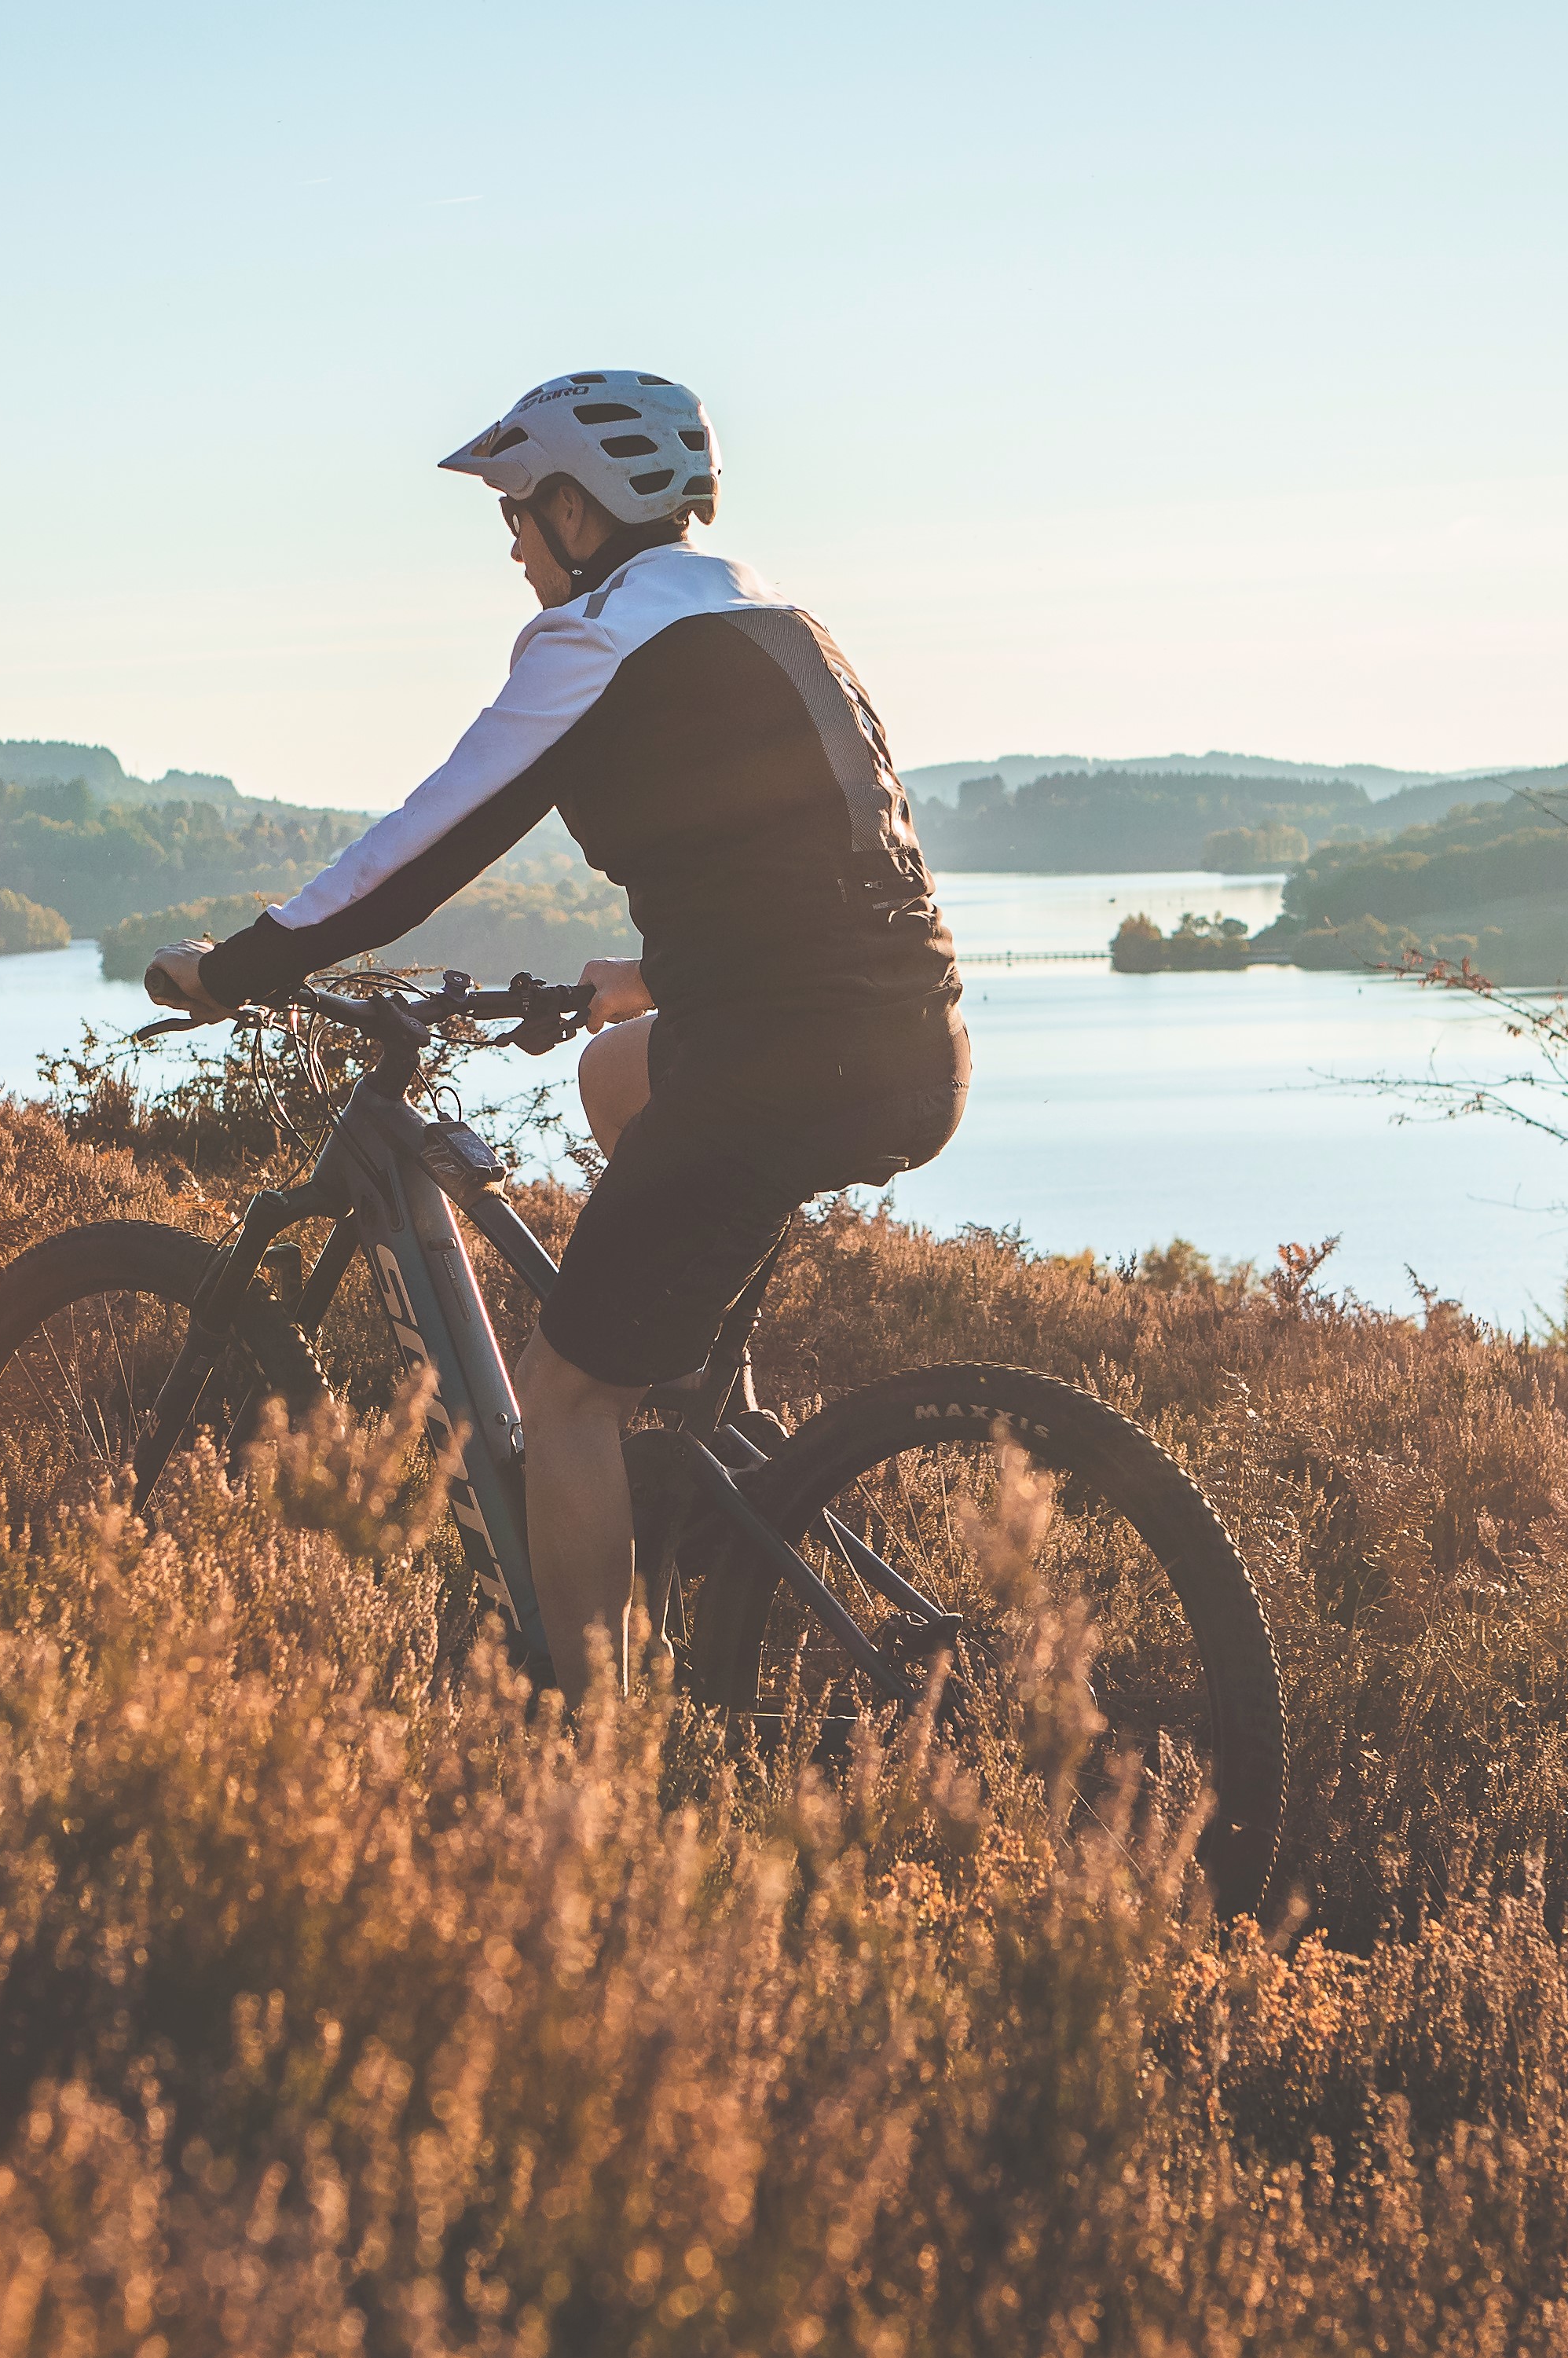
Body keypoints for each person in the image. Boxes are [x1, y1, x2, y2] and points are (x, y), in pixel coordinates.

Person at [147, 370, 966, 1692]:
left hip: (777, 1057)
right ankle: (712, 1439)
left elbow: (425, 842)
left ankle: (594, 1764)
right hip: (909, 1040)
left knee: (567, 1392)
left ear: (582, 513)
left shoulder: (602, 636)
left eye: (522, 514)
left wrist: (247, 960)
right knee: (613, 1079)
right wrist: (645, 978)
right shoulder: (774, 614)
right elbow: (824, 858)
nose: (514, 546)